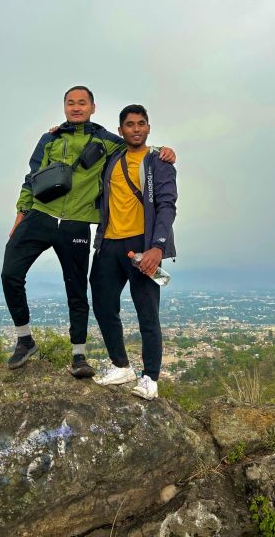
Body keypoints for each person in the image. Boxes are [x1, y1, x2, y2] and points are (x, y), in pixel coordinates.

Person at [1, 87, 175, 378]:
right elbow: (31, 176)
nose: (76, 107)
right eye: (71, 103)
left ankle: (79, 356)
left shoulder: (106, 140)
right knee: (10, 273)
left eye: (82, 103)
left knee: (77, 288)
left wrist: (163, 151)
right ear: (64, 107)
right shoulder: (50, 138)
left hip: (77, 222)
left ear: (93, 107)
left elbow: (136, 144)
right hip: (41, 216)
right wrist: (21, 212)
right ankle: (24, 339)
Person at [90, 104, 177, 400]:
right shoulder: (113, 158)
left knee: (147, 313)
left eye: (141, 123)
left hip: (143, 244)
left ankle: (150, 378)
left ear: (149, 127)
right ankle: (120, 366)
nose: (136, 128)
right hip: (109, 243)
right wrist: (58, 130)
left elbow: (167, 205)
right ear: (121, 130)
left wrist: (158, 247)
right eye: (130, 124)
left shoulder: (159, 162)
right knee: (102, 305)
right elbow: (92, 134)